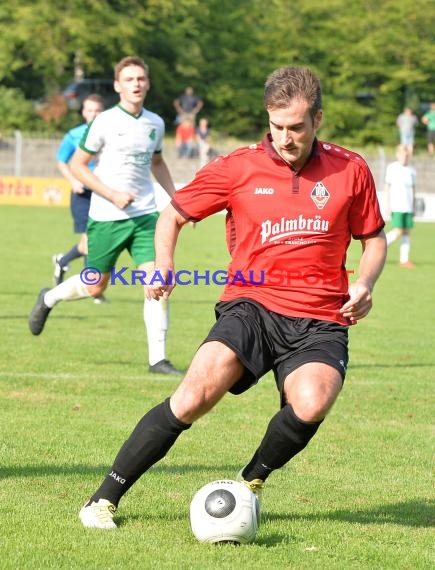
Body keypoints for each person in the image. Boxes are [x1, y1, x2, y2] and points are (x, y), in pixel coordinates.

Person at [77, 65, 387, 529]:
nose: (285, 137)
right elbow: (173, 216)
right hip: (251, 305)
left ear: (317, 120)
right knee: (194, 395)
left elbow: (374, 239)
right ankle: (104, 499)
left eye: (297, 127)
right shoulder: (238, 167)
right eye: (277, 126)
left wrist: (364, 283)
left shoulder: (351, 168)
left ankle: (248, 484)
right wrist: (163, 265)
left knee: (312, 402)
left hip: (322, 315)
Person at [28, 55, 182, 376]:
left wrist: (177, 200)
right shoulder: (105, 122)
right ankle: (50, 297)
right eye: (129, 79)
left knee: (158, 282)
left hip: (145, 217)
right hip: (107, 217)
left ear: (148, 83)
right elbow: (77, 165)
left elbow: (157, 164)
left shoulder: (156, 123)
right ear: (117, 86)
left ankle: (158, 360)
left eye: (140, 78)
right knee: (96, 286)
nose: (136, 84)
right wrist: (111, 194)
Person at [53, 94, 104, 289]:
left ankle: (63, 260)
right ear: (84, 112)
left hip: (103, 193)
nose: (94, 114)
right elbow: (61, 161)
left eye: (97, 110)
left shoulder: (109, 134)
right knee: (89, 240)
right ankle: (92, 288)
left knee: (91, 242)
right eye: (90, 110)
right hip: (82, 193)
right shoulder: (74, 135)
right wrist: (73, 180)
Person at [384, 145, 416, 267]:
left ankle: (404, 260)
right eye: (403, 155)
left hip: (408, 206)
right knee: (398, 231)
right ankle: (378, 247)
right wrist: (387, 203)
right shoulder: (392, 168)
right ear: (398, 155)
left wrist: (413, 205)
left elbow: (413, 188)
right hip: (397, 205)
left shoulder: (412, 170)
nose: (405, 157)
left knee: (406, 232)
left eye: (407, 155)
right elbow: (387, 187)